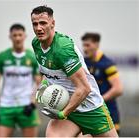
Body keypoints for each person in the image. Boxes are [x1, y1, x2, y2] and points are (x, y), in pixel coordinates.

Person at [31, 5, 118, 137]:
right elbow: (47, 73)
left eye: (43, 23)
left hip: (90, 108)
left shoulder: (62, 49)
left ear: (52, 23)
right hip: (68, 108)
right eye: (35, 24)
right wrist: (43, 85)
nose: (38, 28)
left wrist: (63, 113)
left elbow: (84, 88)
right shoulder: (36, 44)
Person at [0, 23, 41, 137]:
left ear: (25, 36)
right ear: (10, 37)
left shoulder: (32, 57)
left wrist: (32, 103)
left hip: (26, 106)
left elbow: (39, 83)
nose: (17, 38)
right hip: (6, 105)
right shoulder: (2, 57)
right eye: (15, 35)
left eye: (20, 35)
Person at [81, 32, 123, 134]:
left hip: (108, 114)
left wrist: (98, 100)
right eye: (83, 45)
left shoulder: (107, 64)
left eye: (88, 45)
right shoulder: (83, 62)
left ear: (96, 44)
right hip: (90, 115)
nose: (85, 49)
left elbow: (118, 89)